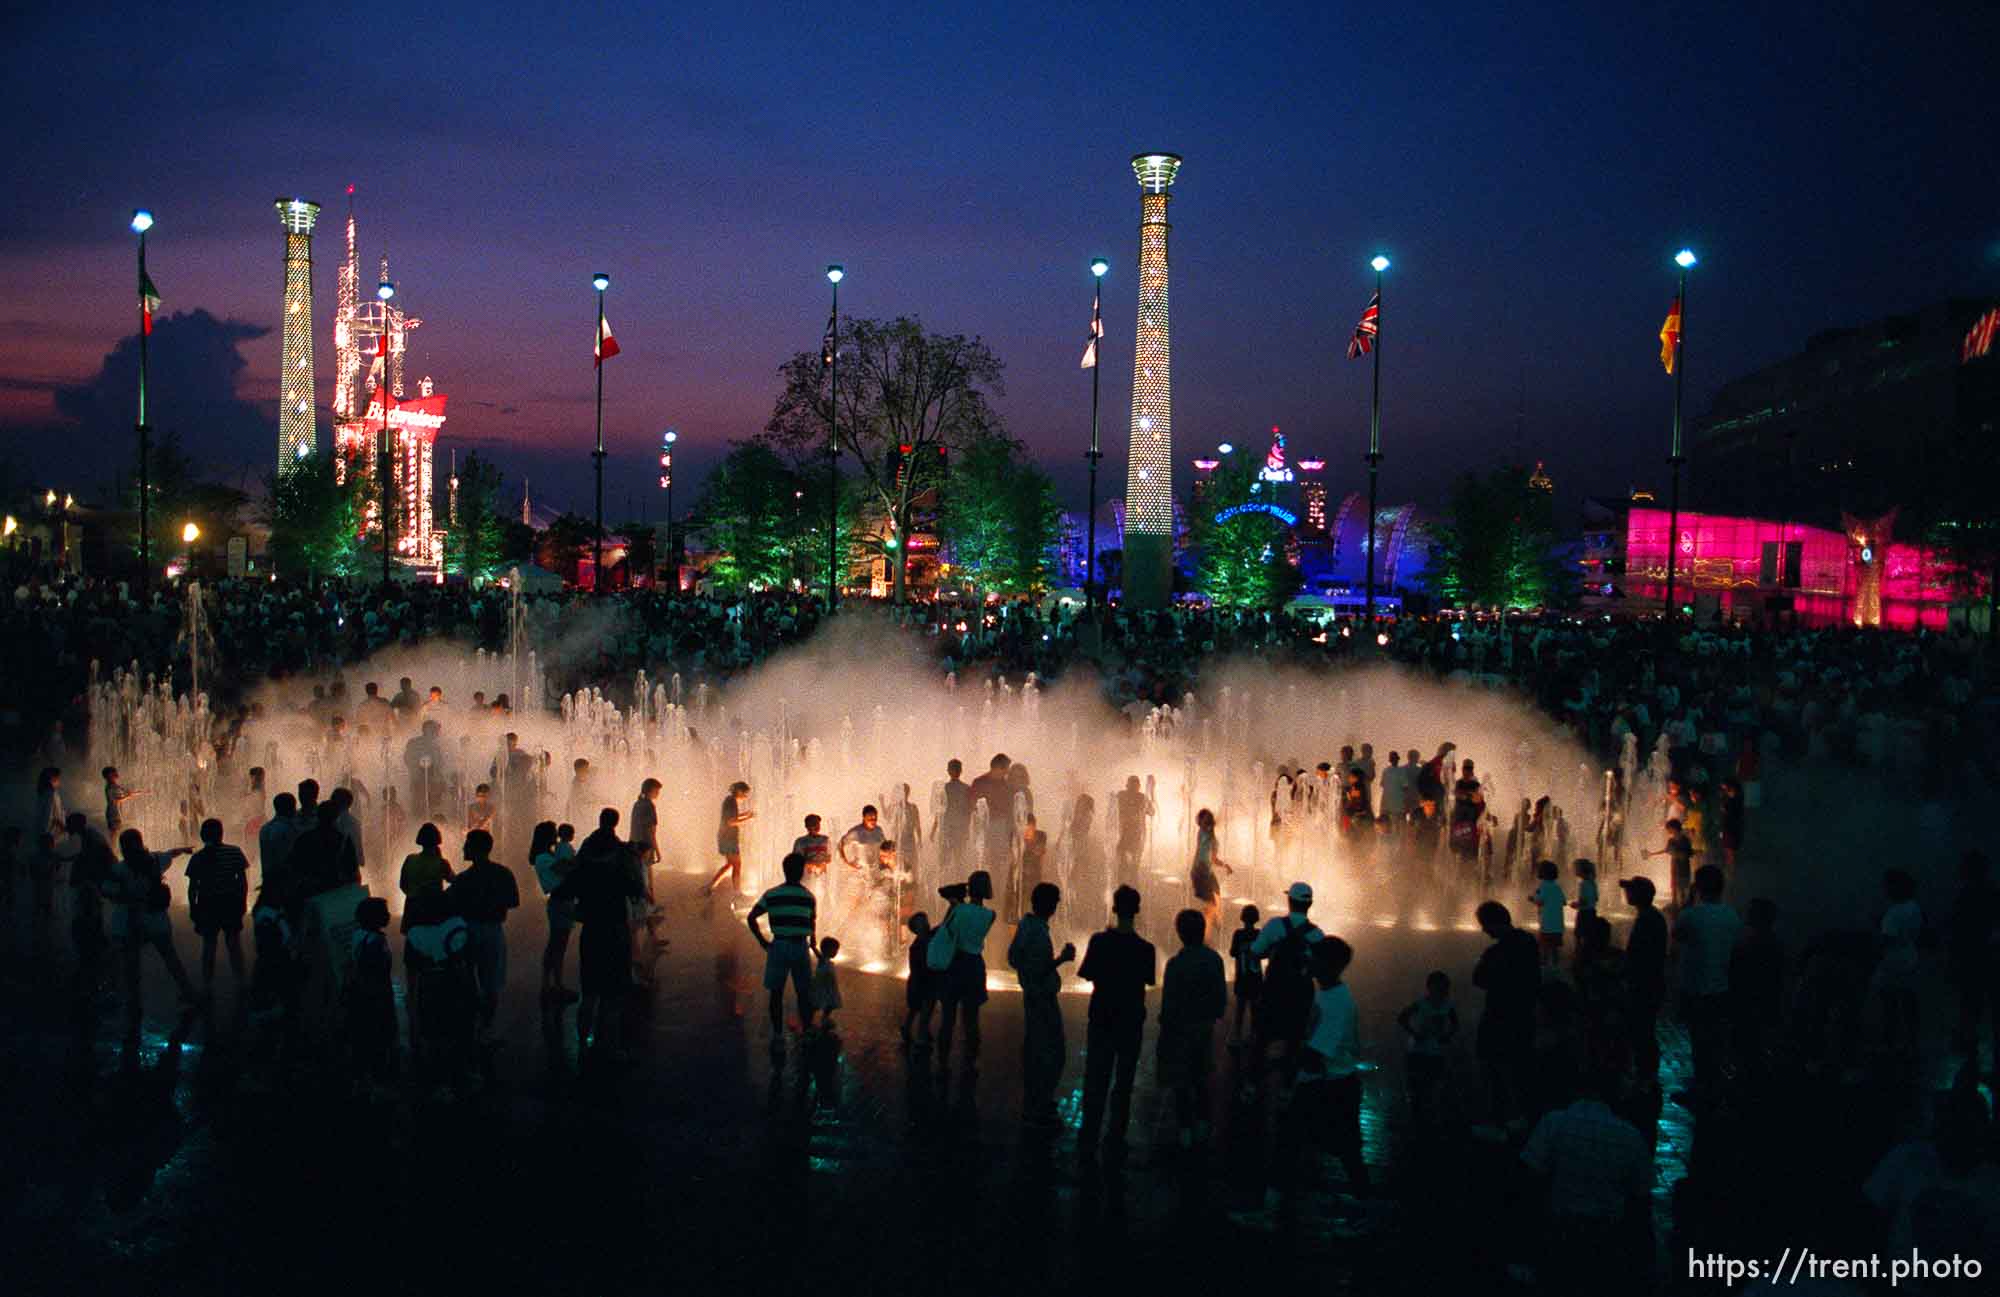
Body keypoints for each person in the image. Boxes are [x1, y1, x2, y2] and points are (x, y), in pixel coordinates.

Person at [1518, 1070, 1654, 1295]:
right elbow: (1641, 1203)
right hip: (1607, 1241)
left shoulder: (1554, 1122)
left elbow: (1529, 1181)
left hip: (1559, 1235)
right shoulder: (1631, 1136)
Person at [553, 809, 643, 1061]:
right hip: (615, 927)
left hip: (591, 930)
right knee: (613, 994)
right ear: (615, 824)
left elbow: (565, 888)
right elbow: (636, 888)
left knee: (590, 991)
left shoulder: (585, 855)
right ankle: (609, 1048)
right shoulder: (623, 854)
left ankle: (583, 1043)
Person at [1077, 884, 1157, 1167]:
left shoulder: (1099, 942)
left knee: (1096, 1077)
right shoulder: (1146, 949)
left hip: (1101, 1018)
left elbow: (1086, 974)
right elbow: (1149, 980)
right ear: (1137, 911)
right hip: (1131, 1021)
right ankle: (1116, 1136)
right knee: (1123, 1082)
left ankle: (1088, 1136)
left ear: (1113, 908)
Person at [108, 828, 198, 1033]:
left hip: (129, 923)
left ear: (122, 847)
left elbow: (108, 890)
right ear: (141, 842)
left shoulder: (120, 870)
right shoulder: (154, 861)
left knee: (132, 965)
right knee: (170, 958)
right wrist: (182, 849)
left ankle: (133, 1002)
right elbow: (169, 854)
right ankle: (188, 992)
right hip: (156, 920)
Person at [1673, 864, 1743, 1104]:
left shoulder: (1692, 915)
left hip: (1696, 988)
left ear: (1698, 887)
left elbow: (1677, 935)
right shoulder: (1732, 915)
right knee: (1715, 1040)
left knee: (1699, 1041)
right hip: (1721, 988)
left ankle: (1701, 1090)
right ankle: (1715, 1088)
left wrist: (1689, 899)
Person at [1006, 881, 1075, 1127]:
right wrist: (1062, 960)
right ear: (1048, 904)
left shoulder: (1026, 925)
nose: (1057, 907)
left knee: (1036, 1045)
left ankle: (1035, 1100)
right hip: (1041, 997)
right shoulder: (1036, 930)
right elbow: (1038, 969)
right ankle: (1039, 1102)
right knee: (1054, 1050)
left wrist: (1025, 974)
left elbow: (1013, 958)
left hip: (1033, 995)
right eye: (1055, 902)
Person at [1158, 907, 1226, 1148]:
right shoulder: (1215, 960)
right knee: (1202, 1077)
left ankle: (1185, 1129)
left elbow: (1168, 1004)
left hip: (1180, 1031)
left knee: (1182, 1080)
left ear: (1179, 933)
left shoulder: (1175, 964)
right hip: (1205, 1029)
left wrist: (1164, 1035)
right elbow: (1221, 1000)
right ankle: (1204, 1127)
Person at [1472, 899, 1540, 1128]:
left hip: (1499, 1015)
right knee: (1519, 1068)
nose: (1483, 930)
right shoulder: (1529, 941)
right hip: (1525, 1015)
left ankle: (1499, 1118)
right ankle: (1522, 1117)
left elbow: (1478, 979)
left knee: (1494, 1069)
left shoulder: (1496, 951)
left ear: (1494, 923)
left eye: (1484, 924)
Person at [447, 829, 519, 1038]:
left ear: (475, 849)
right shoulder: (503, 873)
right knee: (491, 983)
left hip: (467, 932)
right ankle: (487, 1027)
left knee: (468, 979)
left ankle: (472, 1024)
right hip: (493, 931)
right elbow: (513, 901)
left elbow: (449, 902)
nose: (463, 848)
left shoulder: (463, 879)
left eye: (467, 844)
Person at [1251, 882, 1325, 1082]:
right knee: (1295, 1042)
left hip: (1273, 991)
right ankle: (1286, 1088)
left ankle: (1252, 1086)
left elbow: (1255, 951)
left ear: (1289, 901)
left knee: (1262, 1039)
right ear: (1309, 904)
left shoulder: (1275, 925)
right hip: (1300, 995)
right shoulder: (1317, 935)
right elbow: (1319, 970)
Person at [746, 851, 817, 1056]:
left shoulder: (772, 894)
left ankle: (777, 1035)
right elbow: (811, 922)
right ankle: (806, 1033)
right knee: (803, 993)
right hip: (800, 947)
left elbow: (752, 917)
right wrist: (813, 942)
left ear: (784, 871)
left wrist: (762, 941)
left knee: (776, 993)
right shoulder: (808, 897)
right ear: (802, 872)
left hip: (778, 946)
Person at [934, 870, 997, 1067]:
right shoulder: (990, 915)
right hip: (975, 965)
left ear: (970, 887)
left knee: (948, 1017)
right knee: (971, 1019)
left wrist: (954, 902)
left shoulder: (959, 910)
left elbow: (945, 929)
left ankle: (942, 1061)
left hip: (955, 963)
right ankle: (971, 1061)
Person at [184, 818, 250, 992]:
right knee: (234, 943)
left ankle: (207, 983)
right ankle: (240, 980)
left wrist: (193, 908)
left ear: (202, 836)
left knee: (209, 945)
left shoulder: (197, 858)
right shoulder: (235, 852)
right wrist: (242, 902)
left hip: (207, 906)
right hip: (230, 904)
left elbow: (192, 888)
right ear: (222, 834)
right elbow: (242, 882)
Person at [1946, 851, 1996, 1065]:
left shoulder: (1964, 895)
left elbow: (1957, 930)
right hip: (1989, 956)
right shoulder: (1993, 892)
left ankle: (1969, 1049)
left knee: (1970, 1004)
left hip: (1970, 958)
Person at [1620, 876, 1668, 1081]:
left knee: (1643, 1030)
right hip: (1649, 982)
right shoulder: (1650, 916)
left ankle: (1646, 1076)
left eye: (1629, 890)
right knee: (1643, 1029)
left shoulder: (1648, 919)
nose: (1626, 893)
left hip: (1645, 985)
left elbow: (1640, 955)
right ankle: (1645, 1074)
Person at [347, 896, 397, 1093]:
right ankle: (378, 1084)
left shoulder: (358, 935)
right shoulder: (376, 942)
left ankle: (364, 1081)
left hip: (362, 994)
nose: (389, 915)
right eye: (385, 912)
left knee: (365, 1037)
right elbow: (376, 971)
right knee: (379, 1036)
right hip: (376, 996)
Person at [1397, 971, 1458, 1128]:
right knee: (1419, 1087)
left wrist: (1447, 1036)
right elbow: (1402, 1017)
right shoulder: (1422, 1003)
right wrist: (1415, 1034)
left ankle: (1425, 1121)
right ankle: (1420, 1120)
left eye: (1442, 988)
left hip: (1434, 1051)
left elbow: (1455, 1024)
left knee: (1431, 1086)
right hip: (1419, 1051)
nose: (1440, 991)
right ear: (1429, 988)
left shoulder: (1447, 1004)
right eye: (1438, 988)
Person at [1874, 868, 1923, 1059]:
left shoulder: (1894, 912)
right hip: (1910, 956)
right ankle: (1911, 1041)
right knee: (1909, 1000)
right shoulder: (1914, 906)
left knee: (1890, 1004)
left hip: (1892, 962)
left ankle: (1890, 1042)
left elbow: (1887, 939)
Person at [530, 821, 579, 1002]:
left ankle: (553, 984)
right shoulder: (543, 858)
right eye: (553, 833)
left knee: (558, 945)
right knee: (556, 946)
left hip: (561, 901)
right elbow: (566, 869)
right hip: (560, 902)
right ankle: (552, 985)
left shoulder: (547, 855)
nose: (556, 836)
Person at [398, 823, 452, 933]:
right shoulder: (441, 863)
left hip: (412, 908)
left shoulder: (410, 859)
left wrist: (414, 894)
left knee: (413, 943)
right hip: (433, 910)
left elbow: (403, 885)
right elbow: (455, 881)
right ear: (438, 839)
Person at [1190, 808, 1234, 940]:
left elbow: (1214, 859)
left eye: (1209, 819)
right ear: (1200, 822)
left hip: (1208, 872)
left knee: (1217, 898)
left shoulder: (1213, 839)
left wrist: (1225, 865)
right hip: (1199, 872)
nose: (1208, 822)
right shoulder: (1202, 833)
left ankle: (1213, 920)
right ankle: (1205, 930)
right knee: (1211, 903)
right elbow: (1209, 828)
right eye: (1205, 819)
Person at [708, 779, 751, 896]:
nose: (746, 796)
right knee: (737, 864)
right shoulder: (731, 802)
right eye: (745, 793)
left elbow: (732, 818)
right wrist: (747, 818)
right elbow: (731, 822)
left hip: (725, 837)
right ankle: (737, 892)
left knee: (730, 864)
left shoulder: (730, 801)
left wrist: (745, 815)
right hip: (728, 838)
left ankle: (711, 886)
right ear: (739, 791)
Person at [1645, 818, 1699, 911]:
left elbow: (1688, 852)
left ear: (1674, 828)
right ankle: (1675, 903)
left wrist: (1688, 853)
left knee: (1682, 883)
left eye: (1668, 828)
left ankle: (1682, 903)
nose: (1667, 831)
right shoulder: (1672, 840)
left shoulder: (1684, 839)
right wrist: (1652, 854)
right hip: (1675, 864)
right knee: (1674, 883)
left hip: (1683, 865)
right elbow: (1666, 850)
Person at [903, 911, 939, 1048]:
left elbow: (943, 926)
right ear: (916, 929)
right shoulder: (921, 943)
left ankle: (907, 1028)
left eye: (926, 921)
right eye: (922, 923)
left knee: (915, 1008)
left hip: (917, 981)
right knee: (926, 1009)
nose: (926, 924)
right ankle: (921, 1036)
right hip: (923, 981)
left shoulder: (926, 938)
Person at [1229, 904, 1263, 1046]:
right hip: (1256, 977)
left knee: (1240, 1009)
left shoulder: (1238, 934)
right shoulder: (1259, 934)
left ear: (1242, 918)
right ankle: (1254, 1036)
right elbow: (1263, 951)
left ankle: (1236, 1037)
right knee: (1255, 1009)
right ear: (1257, 918)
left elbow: (1232, 952)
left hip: (1242, 977)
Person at [1113, 775, 1152, 887]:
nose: (1133, 788)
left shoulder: (1141, 798)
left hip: (1136, 835)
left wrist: (1144, 808)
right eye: (1131, 785)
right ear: (1127, 785)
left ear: (1138, 786)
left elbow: (1152, 811)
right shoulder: (1121, 795)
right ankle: (1124, 887)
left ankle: (1130, 887)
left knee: (1133, 865)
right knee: (1124, 864)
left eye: (1135, 786)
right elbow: (1112, 810)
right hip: (1124, 833)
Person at [1531, 859, 1567, 967]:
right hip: (1558, 925)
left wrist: (1532, 898)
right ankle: (1556, 966)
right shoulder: (1557, 887)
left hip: (1546, 924)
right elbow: (1564, 902)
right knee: (1555, 948)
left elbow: (1539, 901)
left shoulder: (1543, 886)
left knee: (1544, 947)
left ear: (1542, 873)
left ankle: (1544, 967)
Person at [939, 759, 972, 871]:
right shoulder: (946, 788)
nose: (954, 771)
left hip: (953, 828)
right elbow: (940, 809)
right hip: (953, 827)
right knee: (954, 858)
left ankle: (953, 880)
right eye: (953, 769)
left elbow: (969, 810)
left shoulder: (945, 788)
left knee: (953, 858)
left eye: (955, 769)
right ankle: (954, 880)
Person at [810, 936, 842, 1030]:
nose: (836, 952)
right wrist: (813, 947)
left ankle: (824, 1017)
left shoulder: (825, 959)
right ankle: (811, 1017)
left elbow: (817, 954)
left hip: (829, 988)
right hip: (823, 987)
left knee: (829, 1004)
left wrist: (813, 947)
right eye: (835, 950)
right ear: (828, 950)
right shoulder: (823, 960)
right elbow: (818, 955)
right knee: (819, 1004)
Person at [1571, 858, 1599, 924]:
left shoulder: (1583, 884)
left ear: (1581, 870)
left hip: (1584, 914)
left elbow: (1583, 902)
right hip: (1592, 912)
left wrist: (1575, 904)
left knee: (1581, 932)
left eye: (1575, 868)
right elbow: (1596, 898)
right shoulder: (1593, 883)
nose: (1573, 870)